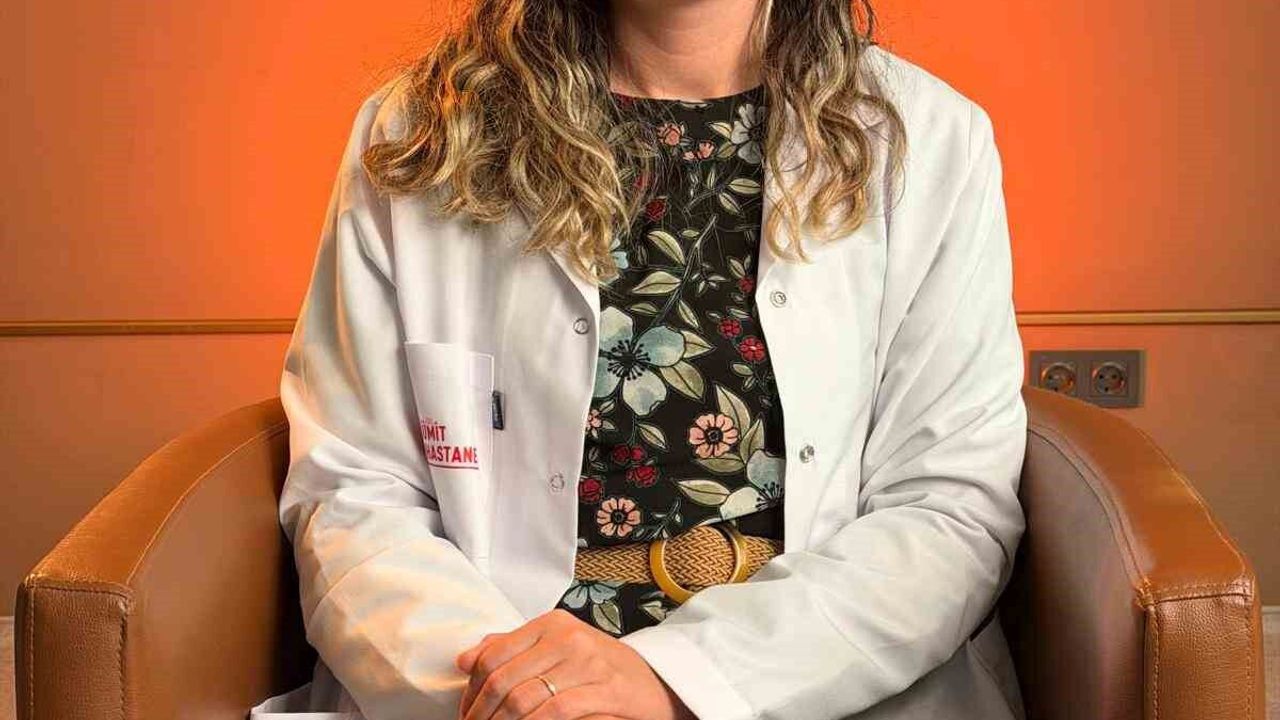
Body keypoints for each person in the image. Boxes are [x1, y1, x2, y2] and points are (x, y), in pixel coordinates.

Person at [249, 1, 1029, 718]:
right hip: (490, 680)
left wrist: (675, 680)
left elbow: (947, 507)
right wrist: (520, 695)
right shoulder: (420, 134)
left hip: (803, 680)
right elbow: (354, 491)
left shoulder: (928, 140)